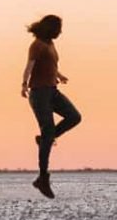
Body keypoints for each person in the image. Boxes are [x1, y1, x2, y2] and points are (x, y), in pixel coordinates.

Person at [21, 13, 81, 198]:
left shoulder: (50, 45)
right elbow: (29, 66)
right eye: (58, 29)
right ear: (51, 29)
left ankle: (46, 139)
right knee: (47, 132)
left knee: (74, 117)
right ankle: (42, 178)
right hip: (39, 93)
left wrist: (59, 75)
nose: (60, 32)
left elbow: (50, 65)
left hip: (52, 91)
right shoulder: (37, 45)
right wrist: (24, 85)